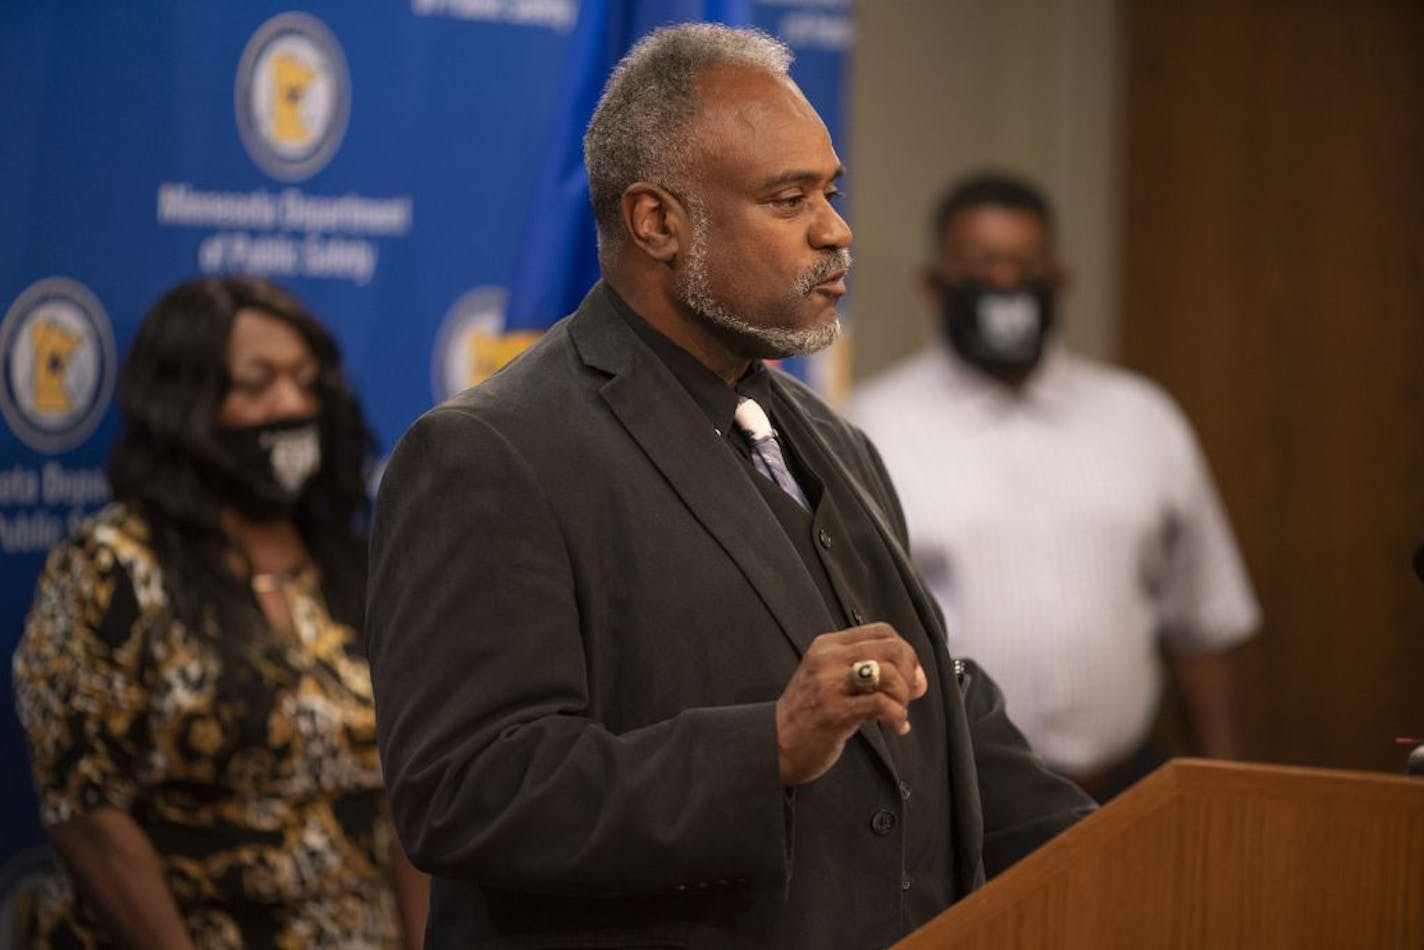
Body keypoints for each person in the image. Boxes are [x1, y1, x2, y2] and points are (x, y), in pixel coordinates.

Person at [367, 24, 1094, 949]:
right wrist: (767, 748)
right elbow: (465, 792)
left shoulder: (835, 441)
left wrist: (1131, 849)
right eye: (788, 198)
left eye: (830, 192)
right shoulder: (488, 454)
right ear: (658, 222)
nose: (835, 230)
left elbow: (908, 699)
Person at [12, 276, 428, 948]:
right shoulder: (108, 570)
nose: (291, 403)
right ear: (187, 403)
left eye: (304, 379)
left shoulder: (355, 565)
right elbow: (86, 814)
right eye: (257, 383)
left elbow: (410, 799)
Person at [850, 173, 1261, 801]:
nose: (1006, 283)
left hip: (1123, 787)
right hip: (951, 796)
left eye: (1025, 264)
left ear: (1059, 280)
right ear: (935, 284)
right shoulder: (868, 427)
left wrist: (1228, 787)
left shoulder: (1143, 418)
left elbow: (1202, 621)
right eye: (981, 264)